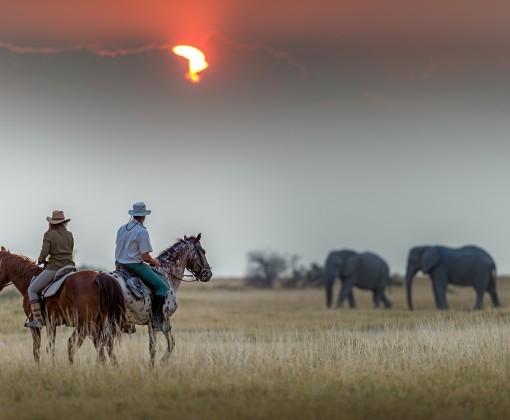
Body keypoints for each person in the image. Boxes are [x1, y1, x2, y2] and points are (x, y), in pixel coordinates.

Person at [115, 202, 169, 331]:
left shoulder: (122, 228)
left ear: (133, 215)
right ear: (144, 216)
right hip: (134, 266)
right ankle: (156, 319)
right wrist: (155, 262)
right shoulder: (142, 232)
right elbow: (145, 257)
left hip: (119, 265)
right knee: (162, 286)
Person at [25, 210, 75, 329]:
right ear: (64, 222)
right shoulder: (69, 234)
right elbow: (70, 250)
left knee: (32, 289)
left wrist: (41, 260)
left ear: (52, 223)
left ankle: (37, 319)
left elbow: (44, 253)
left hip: (55, 267)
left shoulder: (49, 234)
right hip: (70, 267)